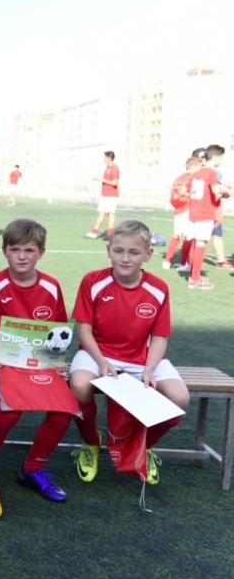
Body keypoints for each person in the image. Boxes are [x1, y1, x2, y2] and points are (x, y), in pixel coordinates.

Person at [70, 220, 190, 485]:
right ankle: (91, 443)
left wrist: (148, 369)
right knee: (79, 384)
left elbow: (159, 337)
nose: (125, 258)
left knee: (180, 399)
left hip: (142, 356)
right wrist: (101, 363)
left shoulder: (158, 288)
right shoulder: (93, 281)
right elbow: (84, 332)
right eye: (119, 250)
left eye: (134, 252)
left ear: (148, 255)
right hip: (97, 352)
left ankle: (144, 447)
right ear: (108, 250)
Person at [0, 218, 71, 502]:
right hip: (4, 363)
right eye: (16, 249)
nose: (22, 256)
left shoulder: (52, 286)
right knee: (9, 411)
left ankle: (33, 467)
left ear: (40, 253)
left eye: (29, 250)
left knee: (63, 411)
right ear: (5, 250)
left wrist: (57, 360)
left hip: (41, 362)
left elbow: (58, 329)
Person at [187, 145, 231, 290]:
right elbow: (215, 190)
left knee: (196, 242)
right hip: (205, 212)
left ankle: (194, 274)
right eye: (221, 158)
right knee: (201, 243)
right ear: (216, 158)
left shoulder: (197, 173)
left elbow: (189, 189)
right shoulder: (211, 172)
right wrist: (228, 192)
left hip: (194, 212)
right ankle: (194, 280)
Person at [162, 157, 197, 271]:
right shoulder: (192, 178)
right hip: (188, 209)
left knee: (176, 236)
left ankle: (167, 261)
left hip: (178, 210)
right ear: (193, 166)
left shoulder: (178, 178)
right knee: (189, 237)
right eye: (198, 166)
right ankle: (184, 264)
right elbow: (194, 194)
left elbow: (173, 195)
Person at [85, 151, 120, 239]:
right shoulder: (107, 168)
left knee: (111, 213)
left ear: (109, 158)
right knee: (101, 213)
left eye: (105, 158)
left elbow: (115, 182)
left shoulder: (114, 168)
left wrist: (102, 180)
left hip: (112, 196)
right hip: (105, 195)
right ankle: (95, 231)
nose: (104, 159)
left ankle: (110, 232)